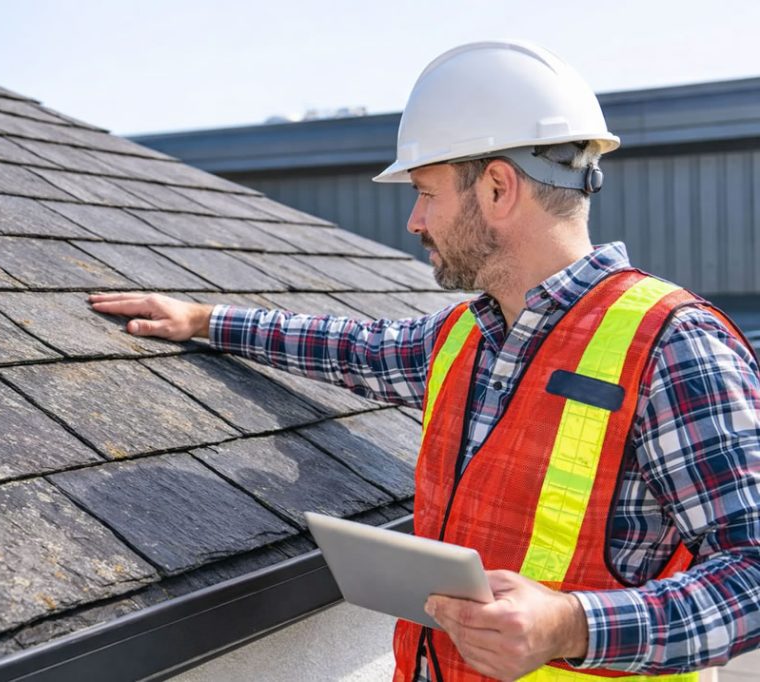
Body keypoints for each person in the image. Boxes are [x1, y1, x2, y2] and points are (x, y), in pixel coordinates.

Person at [90, 41, 760, 681]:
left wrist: (570, 624)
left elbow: (751, 575)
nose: (414, 221)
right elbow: (347, 346)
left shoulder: (673, 346)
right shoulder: (465, 340)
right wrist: (204, 321)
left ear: (498, 189)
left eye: (427, 192)